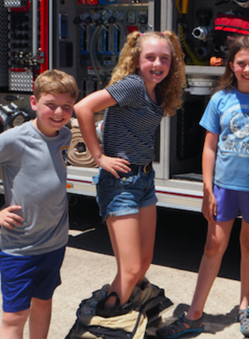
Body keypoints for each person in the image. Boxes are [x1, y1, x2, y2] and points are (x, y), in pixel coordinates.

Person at [157, 35, 249, 339]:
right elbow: (209, 147)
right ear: (231, 66)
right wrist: (207, 190)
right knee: (213, 247)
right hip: (224, 187)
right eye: (241, 64)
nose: (247, 69)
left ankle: (245, 307)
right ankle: (194, 315)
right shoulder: (220, 99)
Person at [74, 30, 185, 313]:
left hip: (144, 179)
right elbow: (83, 108)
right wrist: (99, 156)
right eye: (150, 58)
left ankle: (112, 308)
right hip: (121, 183)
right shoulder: (133, 84)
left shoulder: (156, 90)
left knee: (142, 262)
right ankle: (107, 318)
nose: (157, 64)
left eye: (164, 59)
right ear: (137, 60)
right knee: (132, 266)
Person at [0, 70, 78, 339]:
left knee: (43, 304)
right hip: (20, 249)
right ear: (34, 103)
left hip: (54, 244)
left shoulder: (65, 136)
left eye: (66, 106)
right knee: (15, 316)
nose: (59, 113)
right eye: (51, 105)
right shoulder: (14, 139)